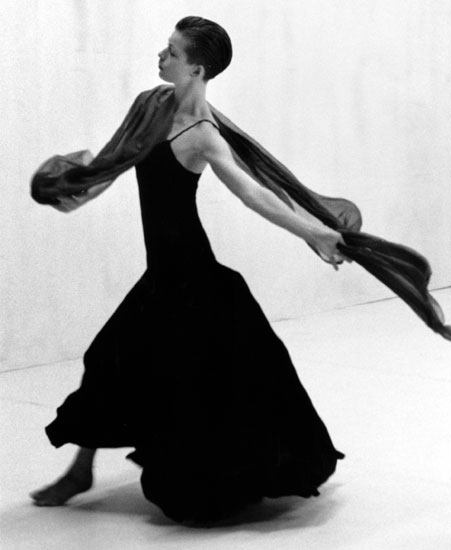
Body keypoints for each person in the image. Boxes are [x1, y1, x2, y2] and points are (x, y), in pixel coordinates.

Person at [30, 16, 349, 523]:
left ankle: (191, 472)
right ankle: (80, 471)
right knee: (110, 360)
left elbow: (253, 193)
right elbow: (113, 163)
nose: (161, 56)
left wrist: (312, 232)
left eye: (173, 52)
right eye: (166, 47)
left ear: (196, 69)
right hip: (163, 274)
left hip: (194, 278)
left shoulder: (203, 134)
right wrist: (77, 194)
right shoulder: (150, 105)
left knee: (199, 380)